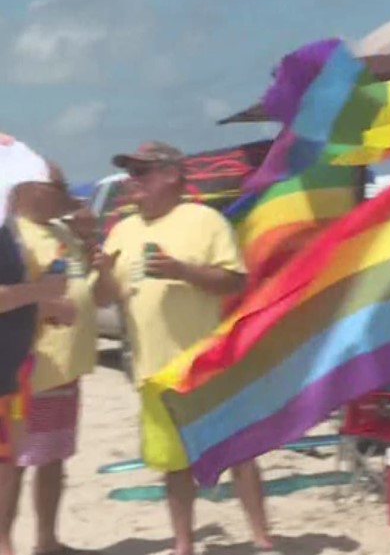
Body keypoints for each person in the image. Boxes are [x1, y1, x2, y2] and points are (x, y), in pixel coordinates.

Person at [96, 142, 273, 555]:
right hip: (151, 370)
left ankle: (262, 538)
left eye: (140, 172)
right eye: (129, 173)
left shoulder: (204, 221)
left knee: (239, 453)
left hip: (206, 363)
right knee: (173, 463)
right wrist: (102, 274)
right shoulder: (123, 229)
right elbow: (106, 298)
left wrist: (180, 270)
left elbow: (234, 281)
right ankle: (183, 544)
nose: (131, 181)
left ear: (171, 174)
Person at [1, 162, 107, 555]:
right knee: (12, 463)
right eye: (58, 185)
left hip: (65, 368)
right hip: (26, 367)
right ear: (29, 189)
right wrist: (45, 305)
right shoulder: (11, 234)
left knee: (53, 457)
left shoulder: (63, 231)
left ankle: (47, 541)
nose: (66, 192)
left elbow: (91, 290)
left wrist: (91, 242)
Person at [0, 140, 71, 555]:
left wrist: (41, 301)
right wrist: (42, 291)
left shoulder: (8, 230)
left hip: (13, 366)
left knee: (9, 463)